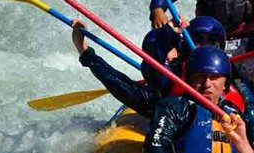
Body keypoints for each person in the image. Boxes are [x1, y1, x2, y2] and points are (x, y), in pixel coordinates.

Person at [71, 16, 231, 118]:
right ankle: (85, 52)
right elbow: (150, 66)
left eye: (209, 42)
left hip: (214, 121)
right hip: (168, 110)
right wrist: (168, 33)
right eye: (198, 40)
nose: (202, 47)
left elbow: (250, 105)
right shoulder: (174, 69)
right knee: (123, 86)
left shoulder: (229, 72)